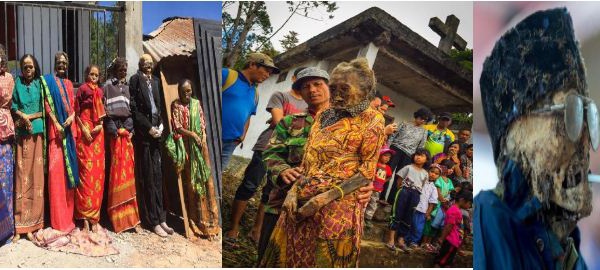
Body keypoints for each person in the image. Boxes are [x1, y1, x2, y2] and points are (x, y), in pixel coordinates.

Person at [475, 8, 590, 269]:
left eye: (588, 116)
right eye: (570, 115)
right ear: (520, 135)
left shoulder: (566, 243)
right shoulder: (488, 222)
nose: (585, 141)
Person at [260, 58, 385, 267]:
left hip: (334, 212)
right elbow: (301, 161)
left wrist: (324, 198)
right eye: (334, 88)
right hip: (293, 205)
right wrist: (291, 190)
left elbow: (366, 170)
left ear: (364, 90)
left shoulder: (372, 119)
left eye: (344, 88)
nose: (336, 94)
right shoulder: (314, 117)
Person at [226, 67, 307, 243]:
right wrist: (293, 125)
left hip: (289, 155)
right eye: (301, 77)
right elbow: (279, 122)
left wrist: (287, 120)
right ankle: (233, 227)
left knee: (270, 192)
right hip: (267, 147)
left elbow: (287, 123)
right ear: (293, 78)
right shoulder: (280, 96)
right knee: (249, 185)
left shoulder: (309, 106)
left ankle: (257, 230)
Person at [170, 79, 220, 239]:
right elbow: (177, 126)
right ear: (179, 92)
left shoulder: (196, 104)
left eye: (189, 91)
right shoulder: (176, 105)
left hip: (200, 147)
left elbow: (203, 124)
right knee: (192, 184)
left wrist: (203, 137)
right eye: (184, 91)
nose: (186, 94)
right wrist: (192, 134)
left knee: (206, 182)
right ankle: (196, 223)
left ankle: (210, 224)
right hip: (187, 148)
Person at [130, 54, 172, 237]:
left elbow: (158, 106)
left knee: (158, 176)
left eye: (150, 64)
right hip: (145, 136)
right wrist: (148, 128)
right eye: (145, 64)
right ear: (140, 65)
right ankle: (152, 221)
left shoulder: (155, 81)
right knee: (147, 177)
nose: (148, 66)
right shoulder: (135, 80)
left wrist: (161, 124)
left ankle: (162, 218)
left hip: (157, 134)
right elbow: (134, 109)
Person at [221, 52, 279, 169]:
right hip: (210, 137)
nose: (268, 75)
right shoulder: (226, 75)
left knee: (214, 179)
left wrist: (242, 136)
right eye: (266, 70)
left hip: (230, 143)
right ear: (252, 65)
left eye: (270, 73)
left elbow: (248, 116)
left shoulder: (255, 93)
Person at [42, 51, 79, 233]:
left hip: (68, 134)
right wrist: (56, 123)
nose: (62, 65)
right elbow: (47, 105)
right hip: (55, 134)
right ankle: (58, 221)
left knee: (68, 177)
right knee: (56, 176)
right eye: (59, 63)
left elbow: (73, 107)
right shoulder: (49, 82)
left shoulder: (70, 84)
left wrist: (71, 117)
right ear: (55, 64)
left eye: (64, 63)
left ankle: (68, 219)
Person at [103, 57, 142, 233]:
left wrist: (128, 130)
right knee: (117, 175)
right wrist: (116, 131)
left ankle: (131, 218)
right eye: (120, 70)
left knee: (129, 176)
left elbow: (131, 112)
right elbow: (105, 113)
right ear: (115, 70)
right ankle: (118, 219)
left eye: (125, 70)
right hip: (115, 136)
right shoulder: (107, 87)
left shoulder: (128, 88)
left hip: (126, 136)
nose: (123, 72)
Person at [11, 54, 45, 241]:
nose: (28, 69)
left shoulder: (41, 84)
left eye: (31, 66)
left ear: (35, 67)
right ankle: (19, 227)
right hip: (22, 136)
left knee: (36, 178)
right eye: (25, 67)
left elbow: (44, 109)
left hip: (37, 133)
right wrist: (23, 117)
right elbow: (14, 107)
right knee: (21, 177)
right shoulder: (17, 83)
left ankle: (32, 225)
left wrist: (29, 117)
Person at [74, 64, 106, 233]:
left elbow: (102, 114)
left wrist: (100, 126)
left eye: (96, 75)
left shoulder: (100, 92)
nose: (94, 77)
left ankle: (94, 218)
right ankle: (84, 219)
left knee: (97, 175)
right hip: (84, 133)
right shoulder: (82, 90)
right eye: (91, 74)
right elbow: (76, 112)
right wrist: (84, 129)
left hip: (97, 135)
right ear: (87, 75)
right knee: (85, 174)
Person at [383, 107, 432, 204]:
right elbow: (392, 136)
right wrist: (387, 148)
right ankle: (381, 197)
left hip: (409, 155)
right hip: (395, 149)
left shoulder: (424, 131)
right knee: (388, 172)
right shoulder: (404, 123)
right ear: (417, 116)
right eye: (421, 118)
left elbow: (421, 146)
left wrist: (415, 159)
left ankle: (391, 201)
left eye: (425, 120)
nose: (422, 121)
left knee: (400, 177)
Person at [385, 148, 430, 251]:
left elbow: (422, 186)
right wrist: (402, 191)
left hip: (416, 195)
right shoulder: (408, 167)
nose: (418, 157)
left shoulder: (425, 173)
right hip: (404, 191)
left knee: (408, 217)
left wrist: (415, 193)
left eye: (421, 155)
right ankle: (391, 240)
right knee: (396, 214)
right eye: (417, 155)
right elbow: (399, 181)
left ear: (427, 159)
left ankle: (401, 240)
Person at [0, 45, 15, 244]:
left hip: (5, 130)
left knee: (6, 180)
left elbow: (7, 101)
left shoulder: (9, 78)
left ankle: (5, 230)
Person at [434, 191, 472, 267]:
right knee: (441, 262)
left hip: (453, 242)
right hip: (450, 242)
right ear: (462, 200)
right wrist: (442, 238)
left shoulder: (456, 210)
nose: (470, 206)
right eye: (469, 203)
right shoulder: (454, 210)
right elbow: (449, 226)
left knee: (445, 262)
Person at [406, 165, 439, 249]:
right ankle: (405, 239)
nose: (433, 174)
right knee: (408, 224)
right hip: (413, 207)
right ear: (427, 171)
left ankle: (414, 241)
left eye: (436, 173)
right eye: (432, 172)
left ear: (438, 176)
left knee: (418, 228)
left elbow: (432, 202)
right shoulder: (420, 181)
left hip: (422, 211)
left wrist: (428, 213)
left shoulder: (434, 188)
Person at [364, 147, 394, 224]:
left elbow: (390, 176)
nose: (387, 158)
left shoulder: (388, 168)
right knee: (365, 202)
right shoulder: (375, 164)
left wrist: (384, 181)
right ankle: (361, 216)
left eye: (389, 157)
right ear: (379, 155)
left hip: (378, 190)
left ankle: (368, 218)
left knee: (373, 204)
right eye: (385, 155)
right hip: (369, 187)